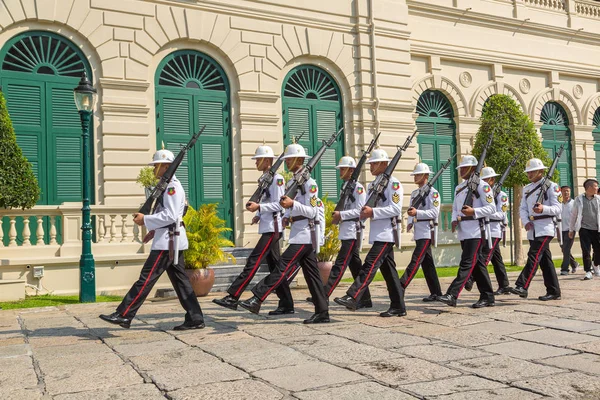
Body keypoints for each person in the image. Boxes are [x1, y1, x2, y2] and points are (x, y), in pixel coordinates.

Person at [99, 149, 204, 330]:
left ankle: (124, 314)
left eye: (156, 165)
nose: (154, 169)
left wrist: (145, 220)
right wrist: (153, 230)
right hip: (168, 238)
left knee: (146, 279)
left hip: (168, 243)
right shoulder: (168, 186)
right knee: (181, 282)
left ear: (165, 166)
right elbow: (169, 215)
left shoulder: (172, 187)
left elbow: (171, 215)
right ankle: (195, 318)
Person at [238, 143, 329, 324]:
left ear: (299, 160)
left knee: (282, 267)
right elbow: (289, 207)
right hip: (298, 232)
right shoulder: (292, 182)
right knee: (312, 277)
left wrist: (292, 206)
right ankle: (322, 312)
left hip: (305, 233)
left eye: (289, 159)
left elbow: (312, 211)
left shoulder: (310, 183)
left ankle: (257, 297)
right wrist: (287, 215)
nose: (286, 162)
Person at [213, 145, 294, 315]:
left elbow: (280, 204)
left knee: (253, 261)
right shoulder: (266, 178)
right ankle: (286, 303)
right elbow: (268, 203)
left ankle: (233, 296)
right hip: (268, 226)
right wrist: (259, 213)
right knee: (275, 267)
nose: (255, 163)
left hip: (273, 228)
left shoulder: (277, 179)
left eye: (258, 159)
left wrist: (259, 207)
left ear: (267, 160)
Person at [334, 148, 405, 317]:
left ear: (383, 164)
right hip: (377, 233)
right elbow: (365, 209)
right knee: (389, 272)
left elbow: (395, 209)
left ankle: (353, 295)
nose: (371, 166)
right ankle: (399, 307)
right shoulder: (373, 184)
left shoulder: (394, 184)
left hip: (387, 233)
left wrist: (372, 212)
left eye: (373, 163)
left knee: (370, 265)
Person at [306, 156, 372, 308]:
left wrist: (341, 215)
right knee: (355, 266)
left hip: (352, 230)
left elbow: (360, 211)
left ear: (351, 170)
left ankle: (323, 295)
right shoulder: (346, 186)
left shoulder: (358, 188)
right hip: (346, 229)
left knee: (340, 265)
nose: (340, 172)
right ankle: (365, 299)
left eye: (343, 169)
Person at [437, 155, 496, 308]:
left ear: (472, 169)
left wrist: (474, 211)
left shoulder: (483, 186)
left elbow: (491, 208)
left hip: (476, 230)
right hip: (464, 231)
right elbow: (455, 208)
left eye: (464, 168)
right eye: (460, 168)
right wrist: (454, 220)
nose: (461, 171)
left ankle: (452, 294)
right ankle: (488, 296)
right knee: (477, 265)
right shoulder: (459, 187)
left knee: (467, 263)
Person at [509, 158, 561, 301]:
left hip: (545, 227)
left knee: (534, 255)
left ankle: (522, 285)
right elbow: (523, 208)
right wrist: (525, 222)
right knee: (545, 261)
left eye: (532, 171)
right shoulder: (527, 189)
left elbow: (558, 208)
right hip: (533, 228)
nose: (529, 174)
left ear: (541, 171)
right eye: (528, 172)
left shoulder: (551, 186)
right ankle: (554, 290)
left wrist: (543, 208)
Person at [464, 167, 513, 295]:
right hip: (485, 230)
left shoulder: (501, 196)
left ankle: (471, 279)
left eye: (486, 179)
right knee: (496, 259)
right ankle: (504, 284)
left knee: (484, 257)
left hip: (495, 230)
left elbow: (501, 215)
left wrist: (483, 214)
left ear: (492, 180)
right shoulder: (482, 194)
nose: (484, 182)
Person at [402, 163, 442, 305]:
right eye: (415, 175)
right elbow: (411, 210)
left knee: (415, 260)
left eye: (418, 175)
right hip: (419, 231)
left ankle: (401, 286)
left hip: (427, 230)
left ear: (426, 176)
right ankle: (436, 292)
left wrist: (417, 213)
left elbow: (434, 212)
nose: (415, 177)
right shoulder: (414, 193)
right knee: (427, 264)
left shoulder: (433, 193)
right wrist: (410, 221)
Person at [568, 178, 600, 280]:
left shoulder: (598, 199)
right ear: (589, 187)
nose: (597, 188)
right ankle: (588, 271)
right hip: (584, 229)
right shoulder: (579, 199)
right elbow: (574, 215)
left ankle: (595, 264)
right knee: (586, 251)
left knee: (598, 250)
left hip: (597, 229)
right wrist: (571, 229)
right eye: (595, 186)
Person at [559, 185, 579, 276]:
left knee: (566, 249)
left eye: (568, 191)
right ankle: (574, 264)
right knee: (564, 249)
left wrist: (574, 229)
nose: (566, 193)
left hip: (570, 230)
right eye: (564, 191)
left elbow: (577, 217)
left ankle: (564, 269)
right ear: (561, 192)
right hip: (560, 230)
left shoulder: (574, 203)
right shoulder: (558, 203)